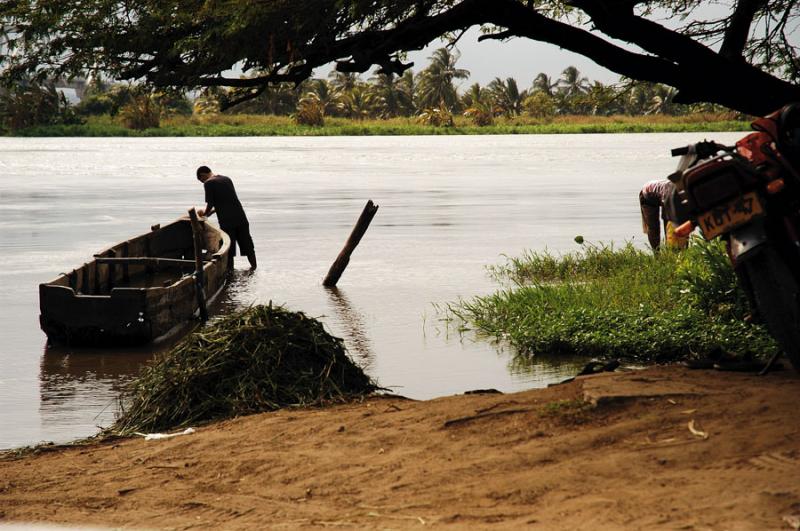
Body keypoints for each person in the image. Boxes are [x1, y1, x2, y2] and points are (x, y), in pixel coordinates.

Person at [196, 166, 257, 270]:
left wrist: (205, 214)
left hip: (227, 221)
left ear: (202, 175)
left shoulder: (209, 183)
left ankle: (230, 274)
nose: (203, 182)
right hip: (240, 217)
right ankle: (254, 268)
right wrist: (212, 212)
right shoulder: (226, 179)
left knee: (229, 250)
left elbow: (210, 203)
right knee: (247, 245)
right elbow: (227, 201)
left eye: (201, 180)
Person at [639, 178, 689, 251]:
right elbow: (667, 221)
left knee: (678, 221)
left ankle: (678, 251)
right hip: (647, 194)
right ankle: (657, 255)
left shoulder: (685, 192)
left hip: (659, 192)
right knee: (654, 227)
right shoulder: (669, 193)